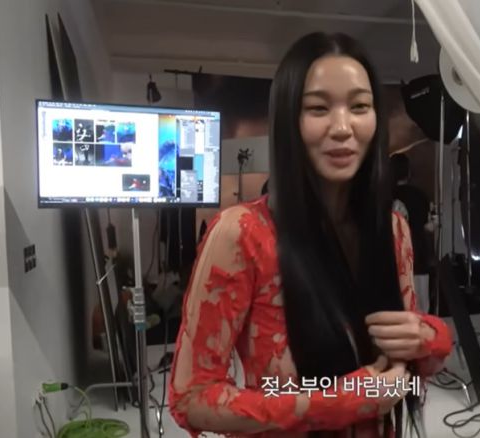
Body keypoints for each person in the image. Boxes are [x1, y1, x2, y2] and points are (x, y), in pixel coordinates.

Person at [169, 32, 452, 438]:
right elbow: (192, 398)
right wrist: (342, 400)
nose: (342, 127)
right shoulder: (243, 234)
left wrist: (432, 338)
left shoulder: (392, 229)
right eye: (318, 108)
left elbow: (402, 368)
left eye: (359, 106)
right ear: (289, 120)